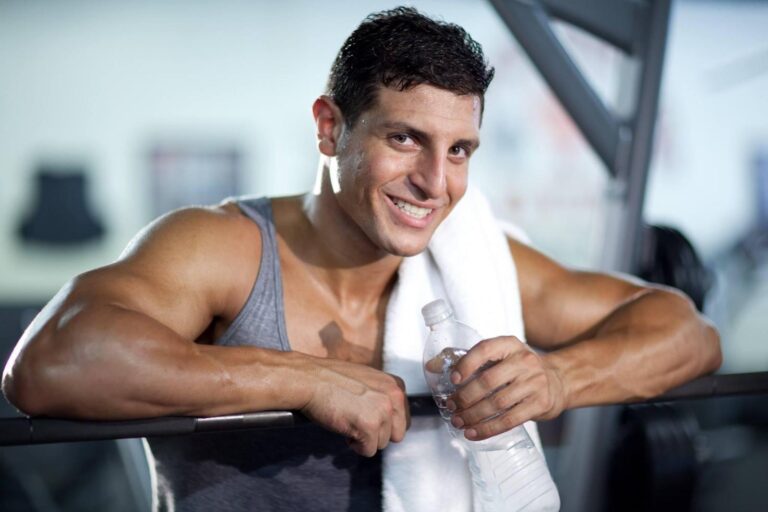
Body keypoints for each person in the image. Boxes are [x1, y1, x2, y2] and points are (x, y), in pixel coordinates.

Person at [2, 6, 720, 511]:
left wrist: (559, 379)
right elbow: (50, 363)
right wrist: (301, 379)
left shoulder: (473, 259)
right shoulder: (225, 247)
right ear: (330, 127)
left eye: (459, 150)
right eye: (405, 139)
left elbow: (688, 333)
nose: (435, 183)